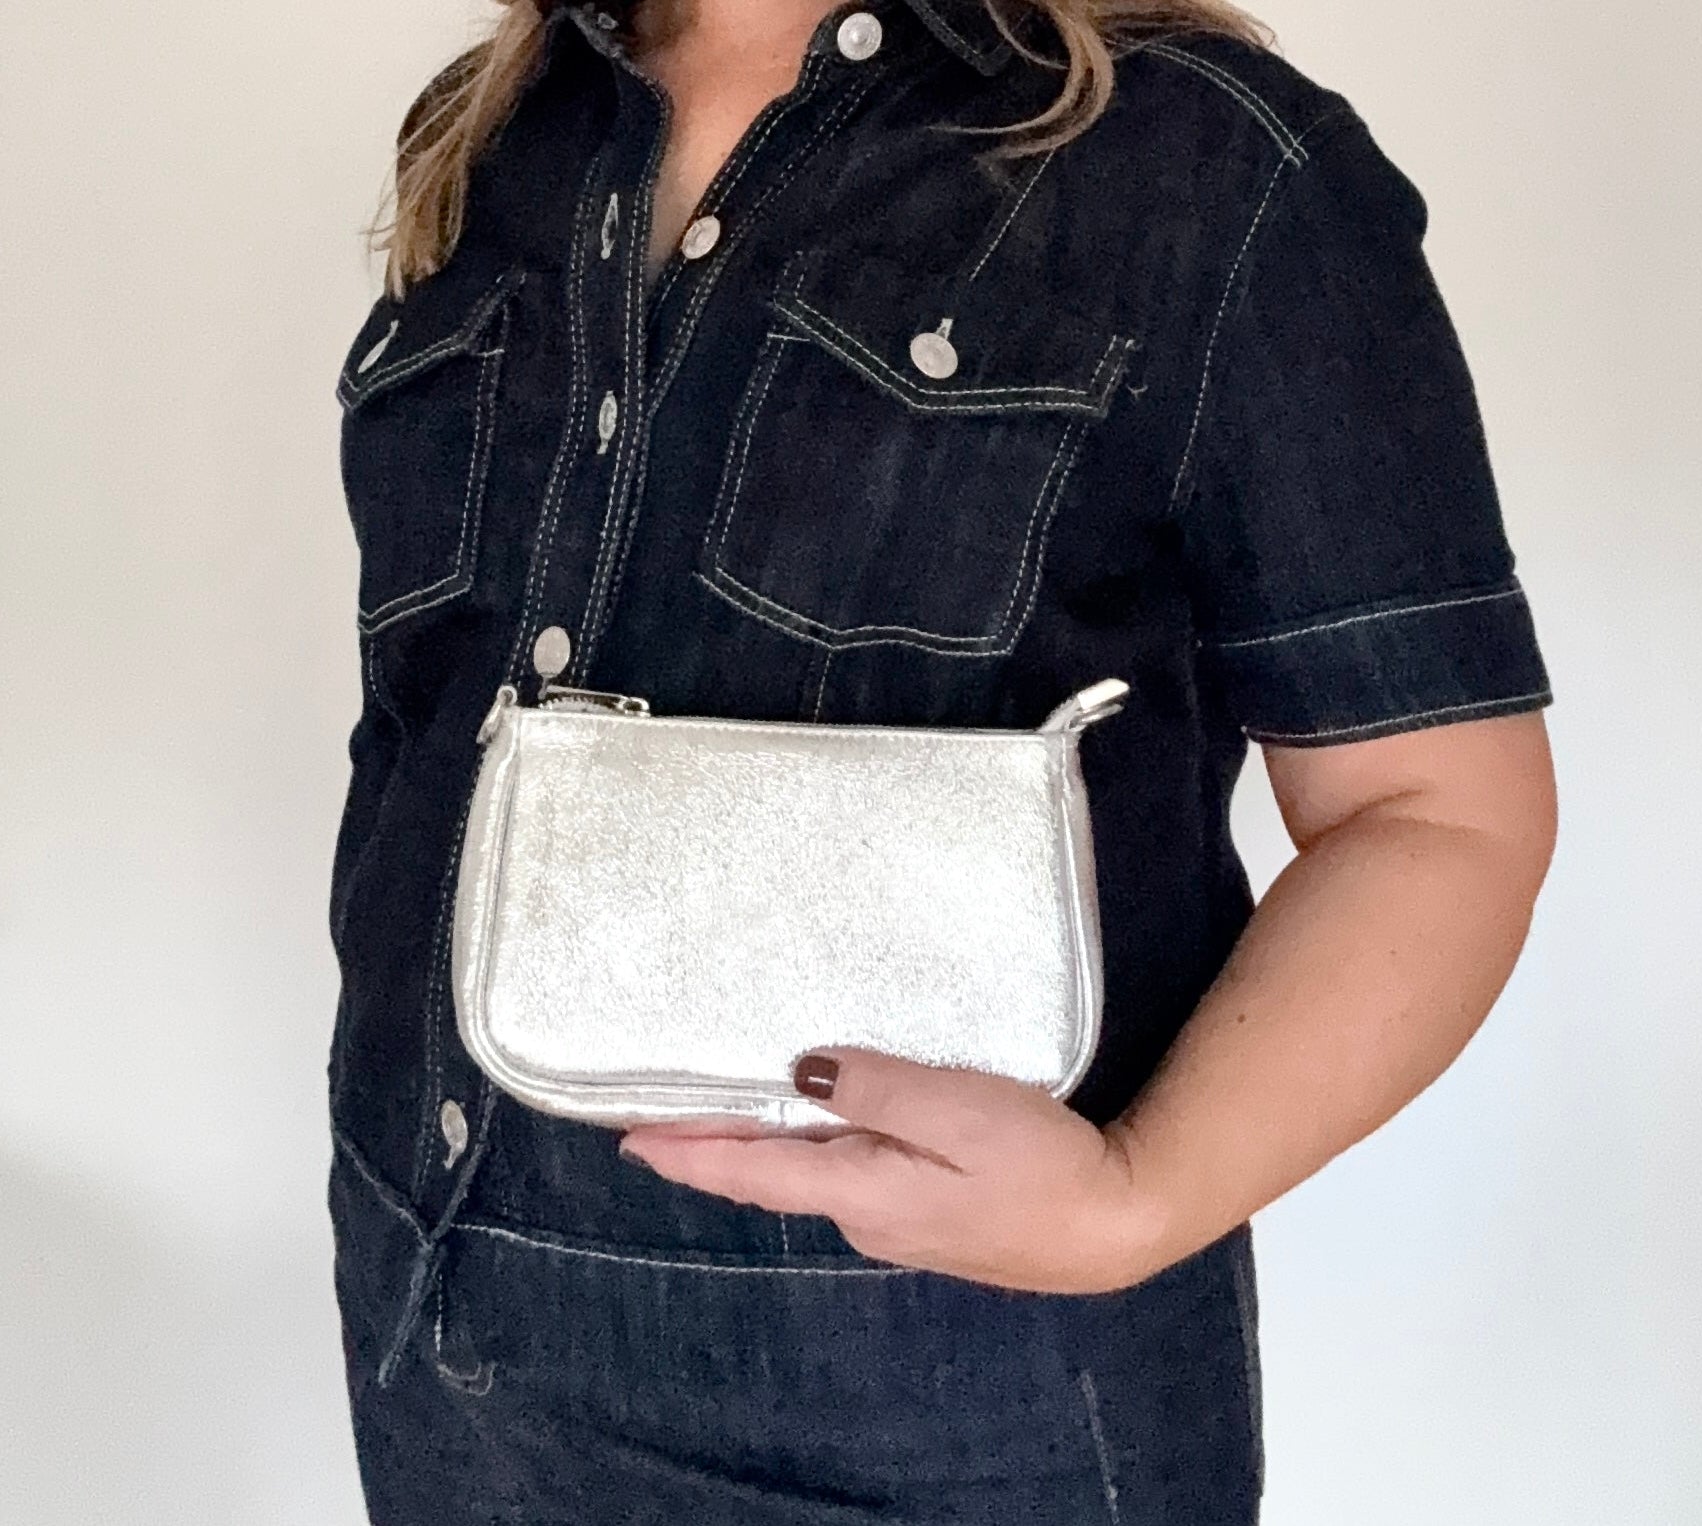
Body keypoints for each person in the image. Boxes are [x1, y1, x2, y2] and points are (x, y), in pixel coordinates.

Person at [323, 0, 1558, 1518]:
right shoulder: (489, 127)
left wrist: (1133, 1204)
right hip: (435, 1344)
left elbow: (1434, 810)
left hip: (943, 1400)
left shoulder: (1208, 165)